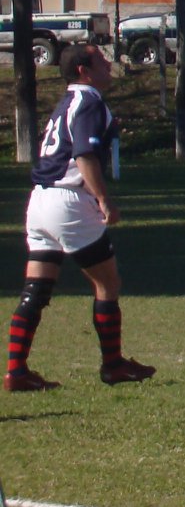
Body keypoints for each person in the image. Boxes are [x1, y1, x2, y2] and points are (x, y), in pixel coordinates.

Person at [6, 44, 152, 393]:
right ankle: (113, 365)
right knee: (108, 283)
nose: (108, 66)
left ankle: (16, 371)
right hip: (69, 202)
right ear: (84, 71)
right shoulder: (89, 101)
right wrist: (104, 199)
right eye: (101, 61)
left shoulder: (66, 103)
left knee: (37, 288)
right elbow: (85, 156)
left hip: (39, 202)